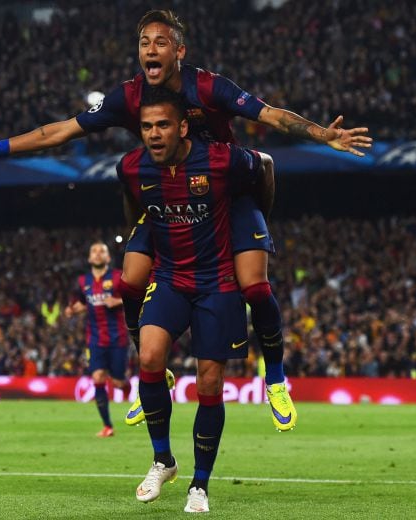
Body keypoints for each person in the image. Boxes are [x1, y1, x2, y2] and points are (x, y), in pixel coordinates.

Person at [0, 9, 372, 431]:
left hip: (224, 196)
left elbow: (272, 114)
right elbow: (59, 131)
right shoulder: (128, 97)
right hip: (167, 195)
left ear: (179, 52)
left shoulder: (207, 86)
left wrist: (323, 134)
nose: (151, 49)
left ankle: (275, 379)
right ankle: (156, 371)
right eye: (144, 43)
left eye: (160, 42)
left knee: (255, 287)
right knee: (128, 282)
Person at [117, 86, 271, 513]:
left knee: (208, 382)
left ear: (183, 126)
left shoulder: (222, 160)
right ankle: (162, 459)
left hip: (217, 280)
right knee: (149, 358)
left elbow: (264, 171)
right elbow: (133, 206)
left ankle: (199, 485)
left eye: (163, 124)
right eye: (146, 126)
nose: (154, 133)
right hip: (169, 277)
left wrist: (261, 225)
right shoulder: (131, 167)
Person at [64, 241, 134, 437]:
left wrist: (118, 301)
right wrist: (72, 309)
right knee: (98, 377)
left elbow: (135, 297)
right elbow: (77, 302)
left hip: (117, 337)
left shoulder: (118, 277)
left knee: (118, 382)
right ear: (89, 258)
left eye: (101, 251)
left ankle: (128, 390)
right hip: (94, 339)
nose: (97, 254)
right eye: (93, 251)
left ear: (108, 258)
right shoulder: (82, 281)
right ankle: (107, 426)